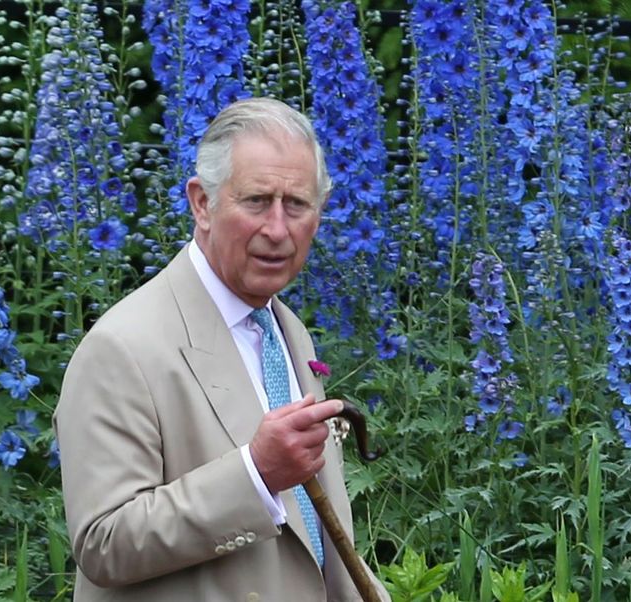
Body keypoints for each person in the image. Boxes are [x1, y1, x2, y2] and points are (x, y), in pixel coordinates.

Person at [53, 97, 389, 601]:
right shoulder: (121, 346)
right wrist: (254, 475)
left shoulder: (288, 330)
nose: (277, 229)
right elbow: (103, 543)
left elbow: (319, 534)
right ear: (202, 203)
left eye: (297, 204)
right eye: (256, 201)